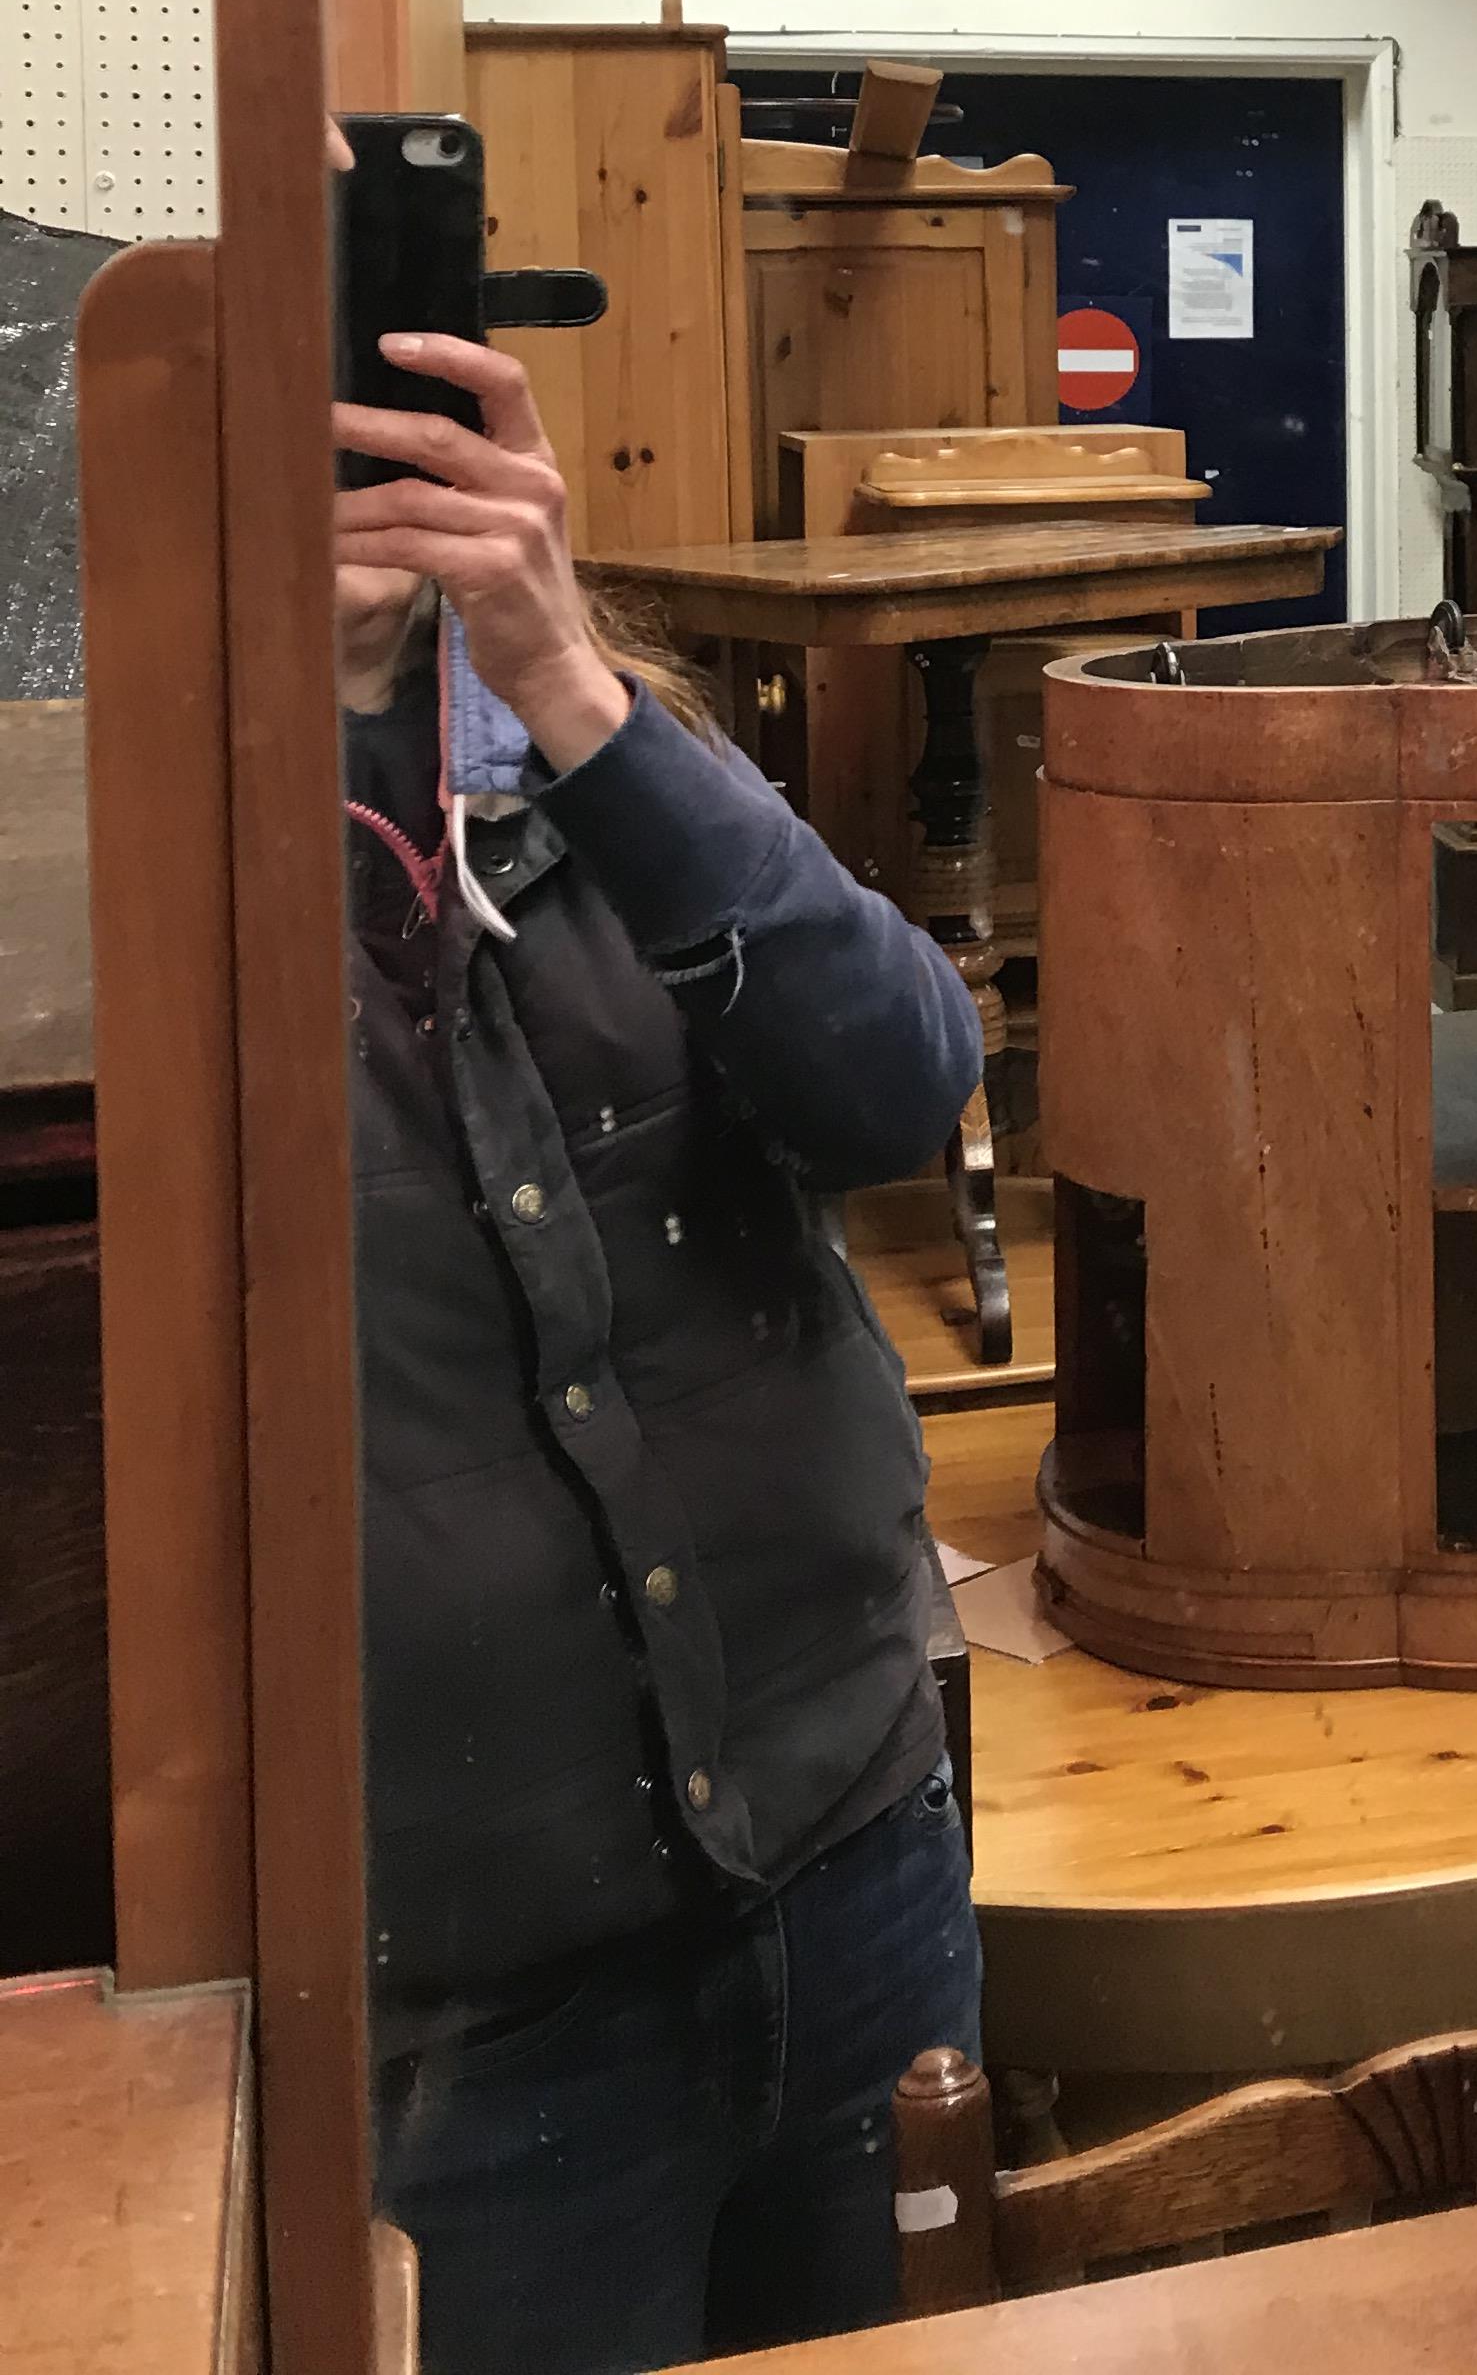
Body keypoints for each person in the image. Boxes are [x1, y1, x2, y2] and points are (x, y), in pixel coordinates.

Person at [335, 325, 986, 2375]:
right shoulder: (125, 861)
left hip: (848, 1850)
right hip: (469, 1997)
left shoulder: (600, 750)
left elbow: (900, 1089)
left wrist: (565, 677)